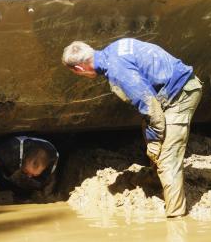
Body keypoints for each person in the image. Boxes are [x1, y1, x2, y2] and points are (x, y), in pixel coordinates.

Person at [61, 38, 202, 217]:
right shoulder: (112, 50)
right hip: (169, 91)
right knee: (150, 130)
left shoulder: (117, 71)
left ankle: (176, 218)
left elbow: (152, 111)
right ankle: (158, 180)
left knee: (168, 157)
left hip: (182, 93)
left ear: (79, 69)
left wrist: (154, 141)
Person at [0, 136, 58, 202]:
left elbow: (52, 179)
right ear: (23, 158)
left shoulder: (52, 162)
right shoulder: (12, 150)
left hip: (28, 162)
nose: (29, 176)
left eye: (35, 174)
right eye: (26, 171)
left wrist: (45, 195)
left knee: (37, 184)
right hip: (9, 159)